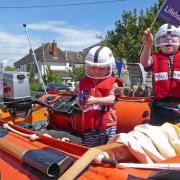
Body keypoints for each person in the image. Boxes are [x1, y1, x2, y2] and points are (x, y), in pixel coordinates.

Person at [77, 46, 122, 147]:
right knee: (89, 149)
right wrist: (80, 103)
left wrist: (95, 100)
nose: (97, 71)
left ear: (109, 67)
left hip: (108, 125)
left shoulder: (113, 83)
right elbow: (79, 99)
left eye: (101, 68)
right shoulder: (83, 82)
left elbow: (113, 99)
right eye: (93, 67)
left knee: (107, 149)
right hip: (89, 124)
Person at [140, 23, 180, 125]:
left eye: (173, 36)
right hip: (159, 108)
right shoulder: (154, 58)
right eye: (164, 37)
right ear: (158, 41)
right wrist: (148, 44)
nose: (169, 39)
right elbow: (144, 62)